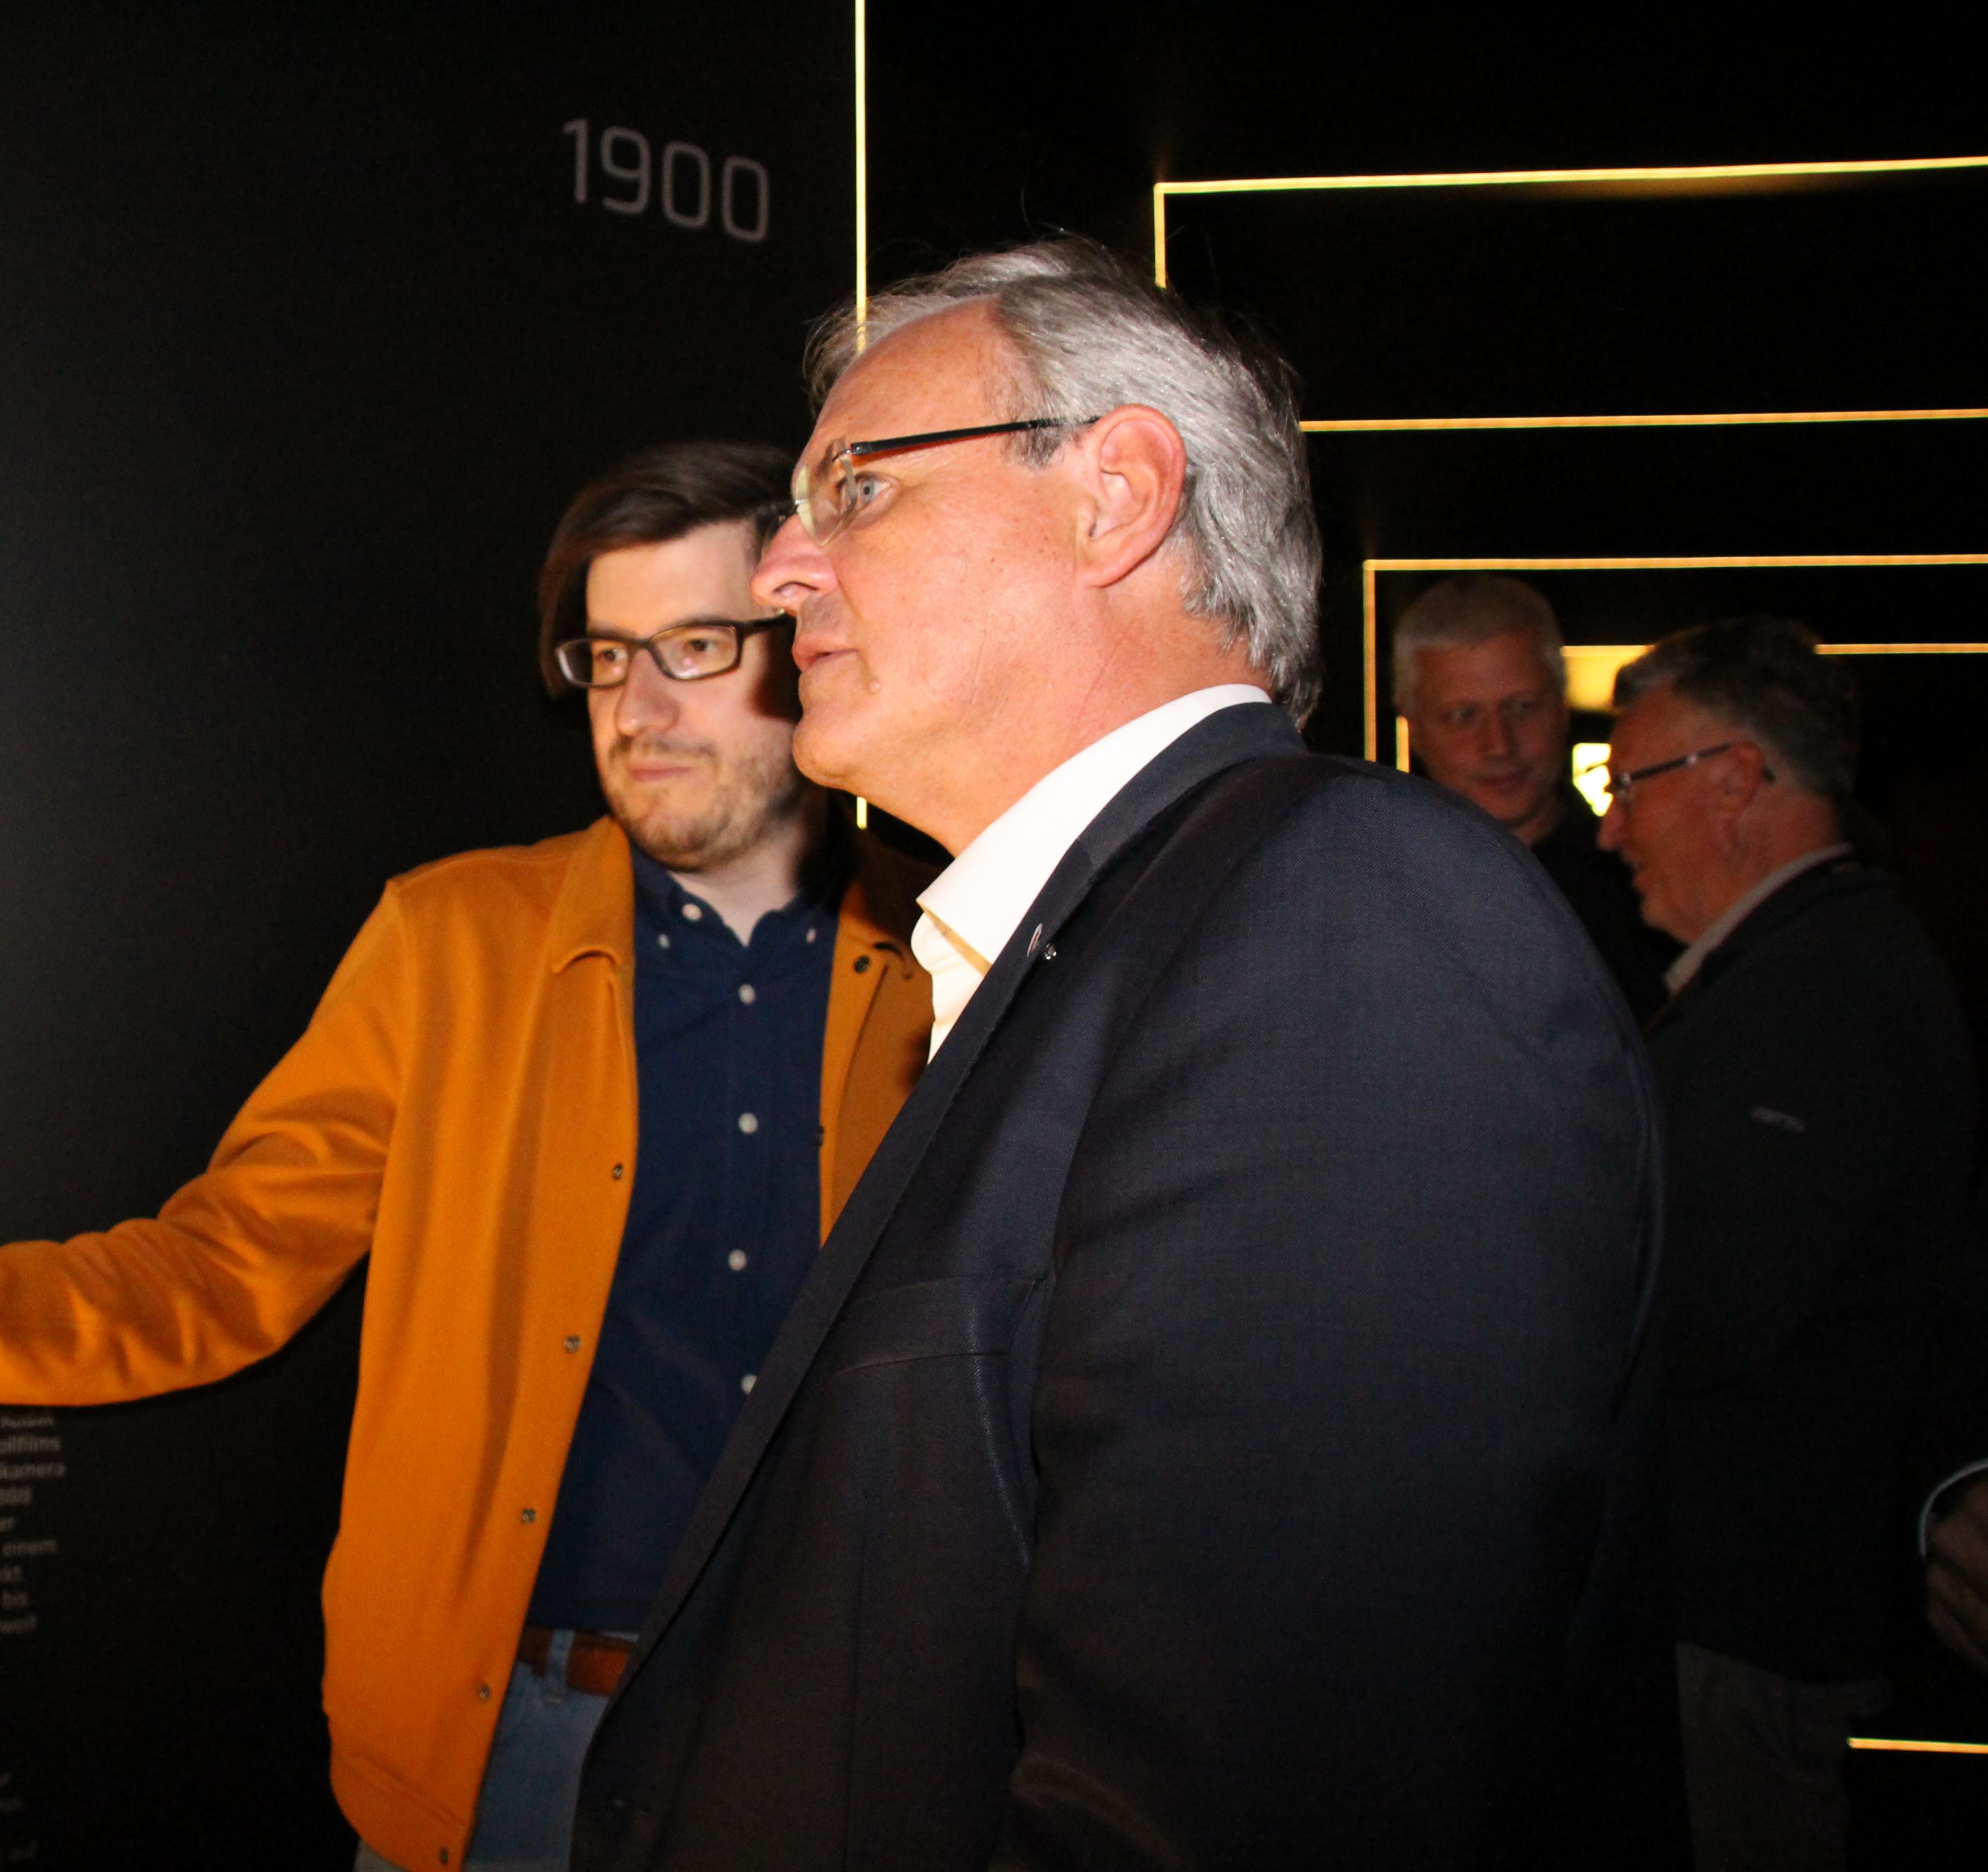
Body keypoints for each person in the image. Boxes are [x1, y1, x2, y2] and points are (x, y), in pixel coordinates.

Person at [0, 441, 936, 1872]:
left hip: (842, 1742)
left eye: (692, 647)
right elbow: (213, 1271)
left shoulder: (954, 952)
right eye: (607, 658)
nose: (638, 707)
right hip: (514, 1753)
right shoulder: (455, 942)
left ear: (806, 635)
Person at [572, 238, 1668, 1871]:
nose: (781, 571)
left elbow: (1249, 1797)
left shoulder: (1341, 924)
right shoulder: (1136, 942)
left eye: (852, 490)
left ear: (1117, 495)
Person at [1598, 617, 1978, 1869]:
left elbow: (1705, 1304)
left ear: (1734, 780)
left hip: (1738, 1640)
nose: (1609, 829)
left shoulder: (1825, 990)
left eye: (1627, 783)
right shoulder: (1797, 969)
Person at [1393, 571, 1675, 1016]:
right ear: (1414, 728)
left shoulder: (1649, 886)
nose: (1499, 744)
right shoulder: (1375, 891)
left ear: (1562, 709)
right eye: (1464, 716)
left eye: (1522, 708)